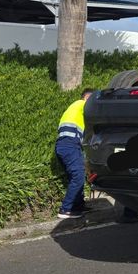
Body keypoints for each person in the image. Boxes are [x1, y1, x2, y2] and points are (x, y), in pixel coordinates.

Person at [55, 89, 95, 218]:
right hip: (69, 145)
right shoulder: (81, 104)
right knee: (78, 176)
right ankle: (66, 209)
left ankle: (78, 206)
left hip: (67, 145)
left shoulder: (75, 109)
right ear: (88, 98)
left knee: (77, 176)